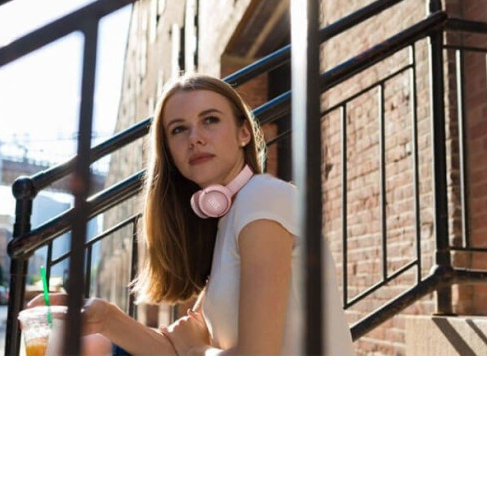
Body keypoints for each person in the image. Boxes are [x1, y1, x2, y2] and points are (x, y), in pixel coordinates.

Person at [27, 74, 354, 356]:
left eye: (210, 120)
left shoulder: (262, 199)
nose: (194, 137)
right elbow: (174, 349)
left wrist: (199, 352)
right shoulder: (230, 218)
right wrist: (106, 318)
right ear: (169, 151)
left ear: (244, 133)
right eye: (178, 129)